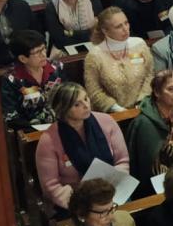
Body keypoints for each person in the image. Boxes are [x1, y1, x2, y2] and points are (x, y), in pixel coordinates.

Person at [34, 81, 129, 216]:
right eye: (77, 104)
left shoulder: (107, 121)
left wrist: (113, 191)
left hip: (112, 194)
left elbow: (122, 161)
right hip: (75, 204)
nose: (86, 105)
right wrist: (81, 206)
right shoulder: (48, 141)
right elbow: (51, 187)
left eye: (86, 98)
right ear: (63, 109)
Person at [84, 6, 154, 113]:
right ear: (105, 31)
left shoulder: (139, 44)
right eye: (118, 26)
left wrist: (143, 100)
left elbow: (150, 74)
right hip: (112, 114)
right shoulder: (95, 56)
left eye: (126, 23)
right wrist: (116, 108)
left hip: (143, 108)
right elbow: (94, 91)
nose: (125, 29)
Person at [1, 29, 62, 128]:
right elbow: (11, 116)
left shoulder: (57, 68)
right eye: (37, 52)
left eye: (43, 49)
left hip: (61, 126)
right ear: (23, 59)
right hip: (31, 132)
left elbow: (68, 97)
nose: (43, 54)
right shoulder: (11, 80)